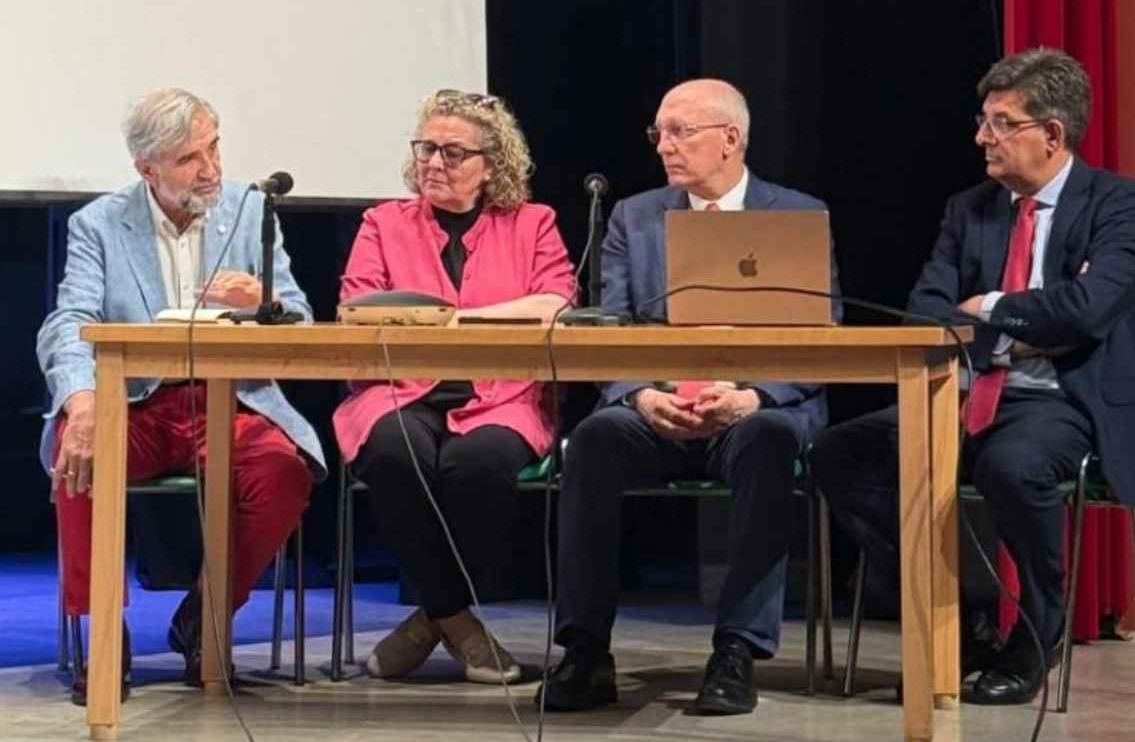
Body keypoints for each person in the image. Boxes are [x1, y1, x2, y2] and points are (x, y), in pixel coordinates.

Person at [809, 47, 1135, 705]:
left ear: (1051, 133)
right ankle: (963, 617)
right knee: (838, 453)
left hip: (1064, 399)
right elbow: (926, 312)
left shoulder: (1119, 203)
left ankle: (1037, 631)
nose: (982, 138)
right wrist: (1026, 326)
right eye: (983, 120)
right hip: (969, 390)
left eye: (1001, 123)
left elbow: (1090, 309)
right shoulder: (968, 209)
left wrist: (991, 306)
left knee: (1010, 465)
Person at [540, 78, 841, 716]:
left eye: (681, 132)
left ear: (730, 139)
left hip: (751, 409)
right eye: (659, 133)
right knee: (592, 440)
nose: (664, 146)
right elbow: (611, 328)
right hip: (660, 406)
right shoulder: (634, 216)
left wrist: (755, 396)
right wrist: (640, 395)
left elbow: (823, 337)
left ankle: (736, 650)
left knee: (770, 440)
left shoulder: (798, 215)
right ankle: (585, 651)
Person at [36, 87, 326, 704]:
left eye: (214, 147)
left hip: (227, 399)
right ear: (148, 169)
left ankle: (204, 615)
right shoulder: (99, 224)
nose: (211, 167)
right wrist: (81, 402)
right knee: (76, 455)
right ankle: (104, 636)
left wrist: (265, 303)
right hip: (135, 403)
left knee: (283, 472)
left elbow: (300, 318)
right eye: (190, 158)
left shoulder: (249, 209)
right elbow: (68, 321)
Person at [334, 89, 575, 685]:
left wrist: (457, 320)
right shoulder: (383, 223)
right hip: (399, 387)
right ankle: (460, 624)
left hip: (503, 394)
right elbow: (357, 307)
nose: (434, 163)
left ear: (491, 165)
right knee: (395, 451)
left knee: (478, 463)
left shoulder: (533, 223)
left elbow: (555, 302)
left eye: (453, 152)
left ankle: (429, 620)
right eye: (426, 149)